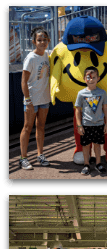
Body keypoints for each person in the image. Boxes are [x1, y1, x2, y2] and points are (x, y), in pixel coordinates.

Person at [20, 27, 51, 170]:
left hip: (44, 99)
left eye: (45, 39)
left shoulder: (47, 56)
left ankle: (40, 155)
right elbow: (23, 81)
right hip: (32, 99)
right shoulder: (30, 58)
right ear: (34, 42)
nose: (42, 42)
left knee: (41, 127)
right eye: (39, 40)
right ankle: (23, 158)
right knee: (27, 127)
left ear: (48, 41)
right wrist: (27, 100)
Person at [75, 66, 107, 175]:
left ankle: (98, 163)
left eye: (94, 77)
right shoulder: (81, 94)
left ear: (98, 78)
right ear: (84, 79)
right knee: (85, 145)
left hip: (99, 124)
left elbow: (105, 109)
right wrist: (79, 125)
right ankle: (86, 164)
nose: (91, 80)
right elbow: (77, 110)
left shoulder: (102, 93)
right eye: (88, 77)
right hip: (86, 124)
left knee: (97, 145)